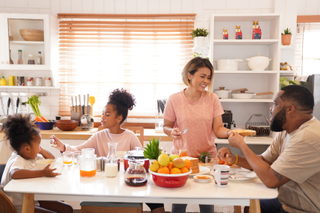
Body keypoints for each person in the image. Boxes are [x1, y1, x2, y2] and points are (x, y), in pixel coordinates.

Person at [51, 88, 165, 213]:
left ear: (119, 118)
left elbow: (142, 159)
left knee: (157, 202)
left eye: (107, 114)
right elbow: (79, 150)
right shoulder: (99, 135)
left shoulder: (130, 136)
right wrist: (62, 147)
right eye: (102, 113)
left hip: (127, 182)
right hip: (105, 184)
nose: (103, 117)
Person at [218, 85, 320, 213]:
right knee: (252, 205)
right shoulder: (287, 131)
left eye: (275, 104)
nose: (271, 109)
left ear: (290, 109)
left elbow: (270, 179)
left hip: (303, 209)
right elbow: (264, 161)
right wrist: (234, 158)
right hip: (286, 201)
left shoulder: (307, 137)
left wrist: (242, 145)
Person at [163, 57, 231, 213]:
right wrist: (171, 132)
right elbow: (166, 126)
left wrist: (229, 133)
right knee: (179, 204)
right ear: (189, 75)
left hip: (207, 159)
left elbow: (218, 128)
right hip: (182, 160)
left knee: (207, 203)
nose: (206, 81)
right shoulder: (174, 100)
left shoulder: (212, 98)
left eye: (208, 77)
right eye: (202, 76)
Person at [0, 114, 73, 213]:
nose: (40, 147)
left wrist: (40, 149)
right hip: (16, 207)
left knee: (67, 209)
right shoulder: (17, 160)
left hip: (30, 199)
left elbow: (51, 159)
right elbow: (15, 173)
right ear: (27, 148)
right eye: (39, 144)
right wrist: (43, 173)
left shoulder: (31, 157)